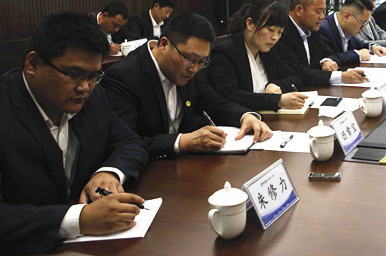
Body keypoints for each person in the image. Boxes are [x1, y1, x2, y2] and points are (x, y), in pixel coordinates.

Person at [0, 13, 148, 256]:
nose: (84, 87)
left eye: (93, 76)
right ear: (33, 64)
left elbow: (130, 141)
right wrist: (79, 219)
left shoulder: (92, 98)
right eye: (73, 74)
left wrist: (109, 172)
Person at [101, 12, 272, 161]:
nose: (194, 69)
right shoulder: (124, 77)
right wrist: (182, 142)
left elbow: (214, 102)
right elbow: (125, 143)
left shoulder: (192, 69)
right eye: (190, 59)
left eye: (202, 62)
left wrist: (245, 117)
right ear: (164, 44)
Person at [208, 0, 308, 112]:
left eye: (279, 32)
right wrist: (277, 101)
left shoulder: (266, 50)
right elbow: (229, 95)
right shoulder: (226, 52)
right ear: (250, 24)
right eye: (271, 30)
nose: (275, 37)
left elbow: (296, 77)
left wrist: (273, 85)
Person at [270, 0, 367, 86]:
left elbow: (330, 53)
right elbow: (297, 72)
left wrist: (327, 61)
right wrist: (341, 77)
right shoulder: (281, 33)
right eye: (318, 11)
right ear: (299, 10)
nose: (322, 17)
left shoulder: (312, 30)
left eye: (323, 12)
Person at [319, 0, 386, 65]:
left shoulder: (347, 29)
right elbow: (328, 59)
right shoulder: (323, 29)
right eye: (362, 23)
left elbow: (358, 43)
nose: (363, 28)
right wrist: (357, 55)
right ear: (347, 16)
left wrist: (373, 47)